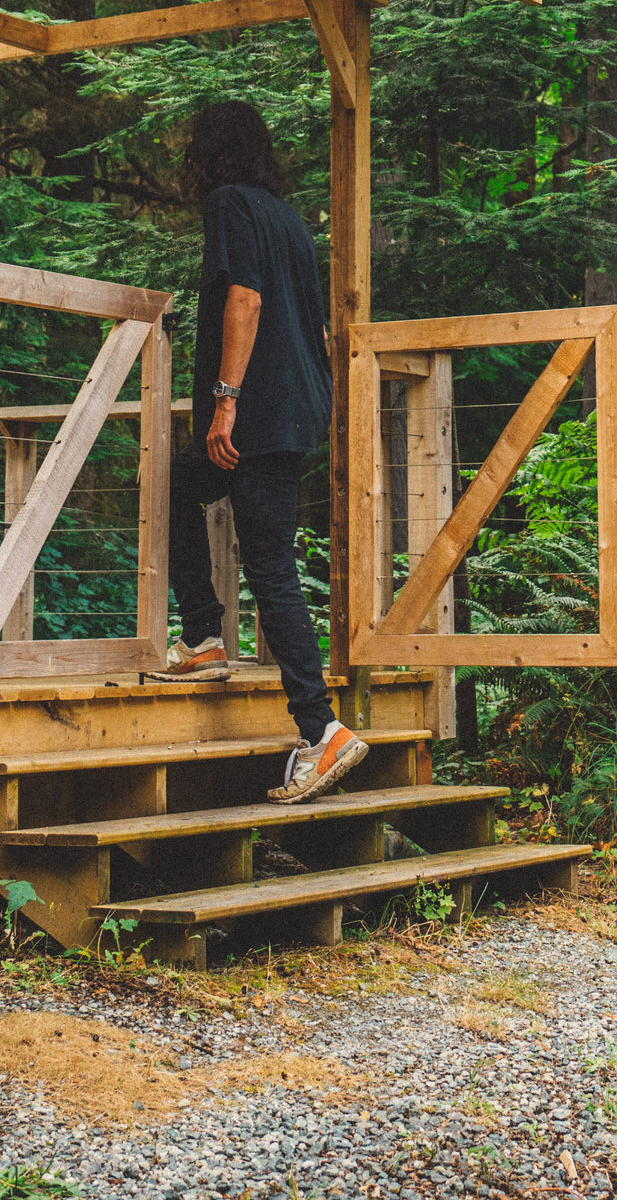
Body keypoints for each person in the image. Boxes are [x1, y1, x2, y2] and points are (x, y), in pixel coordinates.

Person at [151, 100, 368, 804]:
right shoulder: (288, 219)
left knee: (271, 565)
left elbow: (244, 301)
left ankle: (321, 729)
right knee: (182, 485)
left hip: (258, 412)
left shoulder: (230, 205)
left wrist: (225, 398)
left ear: (211, 151)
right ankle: (206, 637)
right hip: (298, 406)